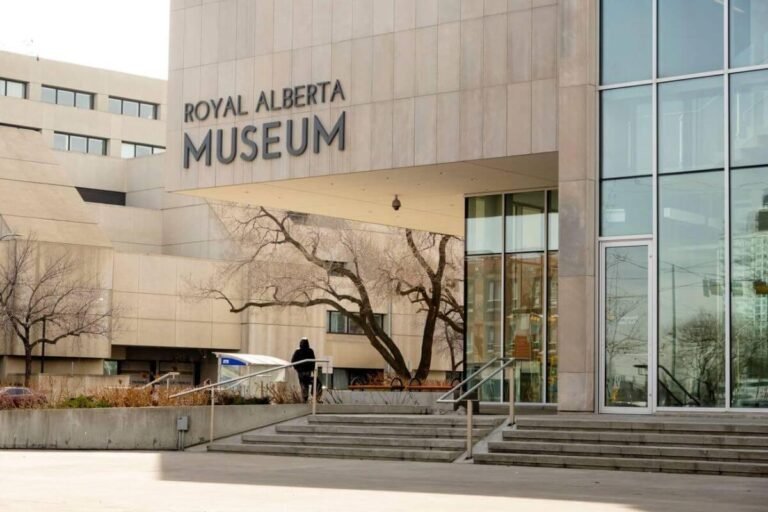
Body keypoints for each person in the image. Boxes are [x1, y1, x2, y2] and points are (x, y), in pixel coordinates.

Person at [291, 337, 316, 402]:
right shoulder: (310, 351)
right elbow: (313, 361)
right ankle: (306, 397)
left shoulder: (298, 351)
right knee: (306, 384)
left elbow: (293, 361)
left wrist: (297, 368)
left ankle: (304, 398)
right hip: (308, 371)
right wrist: (312, 369)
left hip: (301, 371)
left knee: (302, 384)